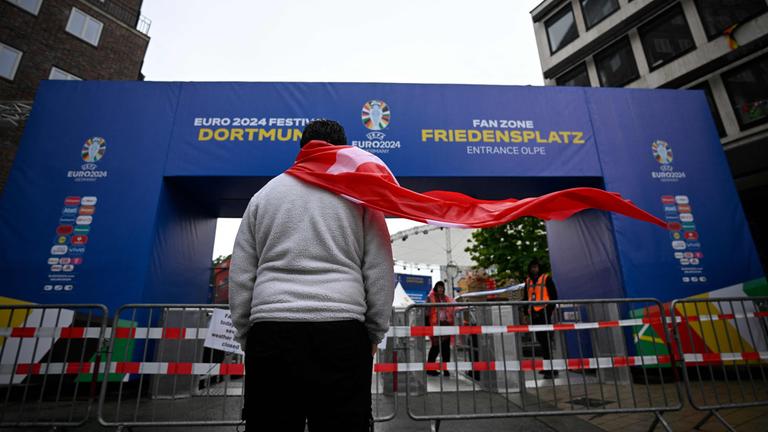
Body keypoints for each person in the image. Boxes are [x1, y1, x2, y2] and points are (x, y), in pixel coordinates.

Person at [229, 119, 395, 431]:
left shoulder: (264, 196)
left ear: (302, 148)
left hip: (271, 332)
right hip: (343, 333)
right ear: (344, 150)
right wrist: (374, 332)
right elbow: (380, 270)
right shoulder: (360, 198)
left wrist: (246, 333)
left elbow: (241, 274)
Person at [525, 259, 559, 379]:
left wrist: (548, 311)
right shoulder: (528, 280)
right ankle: (547, 366)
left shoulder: (546, 278)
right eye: (532, 267)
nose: (534, 269)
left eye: (536, 267)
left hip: (544, 312)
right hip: (534, 314)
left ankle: (552, 369)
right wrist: (526, 312)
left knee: (546, 341)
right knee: (541, 340)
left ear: (539, 268)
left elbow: (553, 296)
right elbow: (526, 297)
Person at [425, 281, 455, 377]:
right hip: (435, 325)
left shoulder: (446, 298)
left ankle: (446, 369)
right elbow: (426, 312)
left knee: (446, 349)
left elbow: (452, 308)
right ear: (435, 288)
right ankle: (430, 369)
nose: (441, 289)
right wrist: (427, 326)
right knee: (435, 348)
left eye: (442, 287)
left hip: (446, 325)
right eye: (439, 287)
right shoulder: (430, 298)